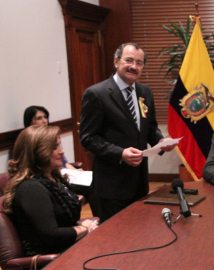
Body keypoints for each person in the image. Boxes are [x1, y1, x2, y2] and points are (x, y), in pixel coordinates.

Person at [80, 42, 177, 221]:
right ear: (116, 62)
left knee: (139, 233)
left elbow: (150, 128)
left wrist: (161, 142)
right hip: (111, 185)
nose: (134, 66)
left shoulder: (145, 92)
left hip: (139, 182)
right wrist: (120, 153)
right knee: (115, 239)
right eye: (129, 60)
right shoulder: (96, 94)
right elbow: (87, 138)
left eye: (139, 63)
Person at [2, 125, 98, 256]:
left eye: (59, 145)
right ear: (37, 152)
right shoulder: (31, 189)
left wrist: (84, 225)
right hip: (52, 258)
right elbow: (52, 235)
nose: (62, 151)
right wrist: (85, 228)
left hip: (68, 247)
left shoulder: (53, 177)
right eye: (54, 147)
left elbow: (64, 222)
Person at [23, 106, 78, 170]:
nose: (44, 121)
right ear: (30, 122)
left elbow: (64, 163)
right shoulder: (28, 140)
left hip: (63, 171)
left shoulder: (52, 136)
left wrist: (76, 172)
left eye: (45, 117)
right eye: (39, 118)